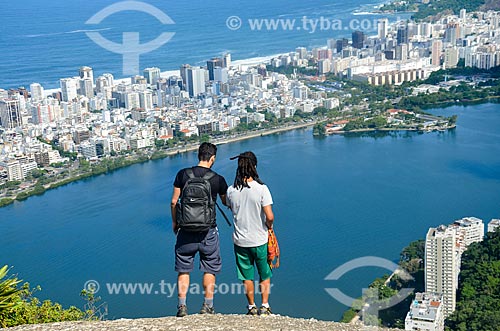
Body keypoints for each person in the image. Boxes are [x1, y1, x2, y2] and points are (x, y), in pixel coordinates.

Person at [170, 142, 228, 317]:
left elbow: (174, 202)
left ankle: (182, 307)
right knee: (209, 268)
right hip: (208, 231)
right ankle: (207, 306)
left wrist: (175, 223)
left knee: (184, 269)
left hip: (185, 230)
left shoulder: (182, 174)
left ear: (198, 155)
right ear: (213, 158)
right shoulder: (218, 179)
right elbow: (225, 202)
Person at [226, 151, 275, 316]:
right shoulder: (262, 189)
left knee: (246, 276)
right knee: (265, 273)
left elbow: (231, 207)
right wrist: (269, 226)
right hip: (260, 239)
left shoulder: (231, 190)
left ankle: (251, 306)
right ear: (254, 166)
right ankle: (265, 306)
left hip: (241, 242)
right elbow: (270, 216)